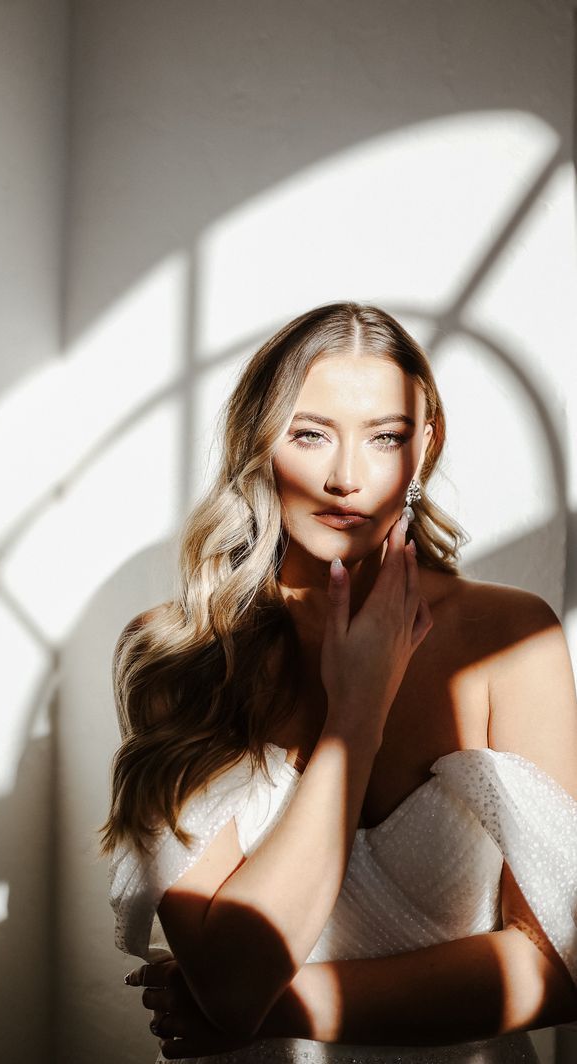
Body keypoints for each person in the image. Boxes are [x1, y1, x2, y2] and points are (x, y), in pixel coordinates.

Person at [101, 302, 577, 1064]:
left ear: (424, 448)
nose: (346, 478)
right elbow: (230, 977)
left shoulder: (510, 638)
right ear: (256, 445)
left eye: (383, 437)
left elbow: (556, 963)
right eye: (309, 433)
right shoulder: (182, 656)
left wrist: (275, 1007)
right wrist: (355, 715)